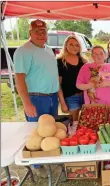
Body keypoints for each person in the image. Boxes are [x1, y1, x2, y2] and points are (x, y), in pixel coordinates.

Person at [14, 19, 59, 177]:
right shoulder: (23, 51)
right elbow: (19, 78)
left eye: (44, 31)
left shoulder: (48, 50)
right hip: (36, 98)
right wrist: (27, 103)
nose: (41, 34)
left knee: (51, 131)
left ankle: (50, 158)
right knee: (36, 133)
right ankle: (38, 164)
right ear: (30, 33)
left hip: (52, 97)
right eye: (37, 31)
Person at [57, 35, 87, 123]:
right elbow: (58, 84)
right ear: (66, 45)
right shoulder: (60, 61)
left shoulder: (83, 61)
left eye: (77, 45)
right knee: (74, 122)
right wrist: (62, 103)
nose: (74, 47)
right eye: (71, 44)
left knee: (85, 121)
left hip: (84, 95)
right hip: (70, 97)